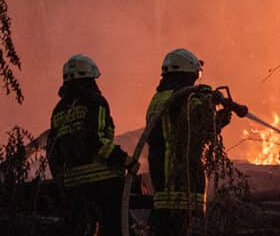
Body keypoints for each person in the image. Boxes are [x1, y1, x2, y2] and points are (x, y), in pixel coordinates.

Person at [145, 48, 232, 236]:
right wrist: (216, 110)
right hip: (183, 177)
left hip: (161, 177)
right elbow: (201, 132)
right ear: (189, 71)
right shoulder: (188, 97)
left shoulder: (158, 99)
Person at [47, 53, 131, 236]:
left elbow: (52, 150)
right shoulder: (95, 102)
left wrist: (61, 180)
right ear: (88, 79)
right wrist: (124, 160)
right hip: (103, 181)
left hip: (73, 186)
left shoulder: (59, 109)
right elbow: (95, 139)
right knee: (115, 228)